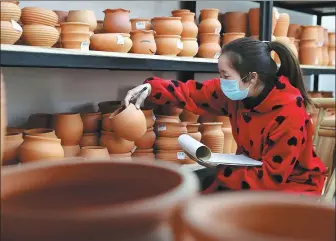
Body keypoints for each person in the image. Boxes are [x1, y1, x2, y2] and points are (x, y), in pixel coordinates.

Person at [124, 37, 327, 195]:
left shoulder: (289, 111)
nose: (221, 81)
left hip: (292, 185)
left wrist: (223, 172)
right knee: (194, 203)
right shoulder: (236, 92)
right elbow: (192, 92)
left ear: (252, 77)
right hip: (248, 174)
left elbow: (272, 177)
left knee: (214, 213)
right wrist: (152, 87)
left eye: (225, 75)